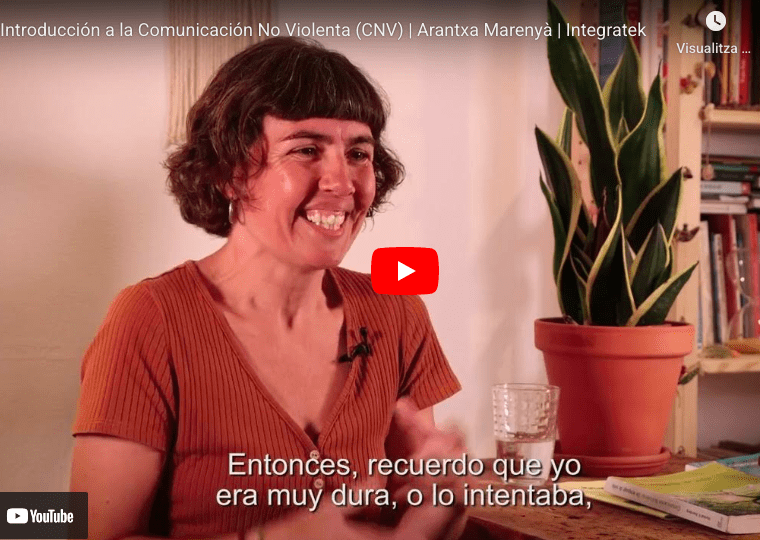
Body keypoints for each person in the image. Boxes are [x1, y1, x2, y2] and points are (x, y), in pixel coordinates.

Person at [70, 37, 466, 540]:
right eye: (306, 150)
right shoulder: (150, 320)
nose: (342, 182)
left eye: (359, 153)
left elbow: (414, 518)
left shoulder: (397, 311)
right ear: (230, 173)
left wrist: (441, 503)